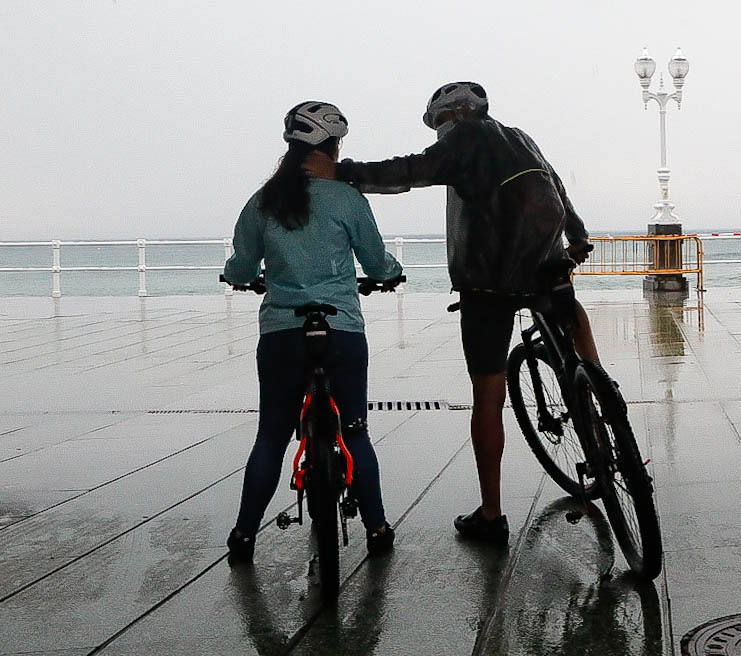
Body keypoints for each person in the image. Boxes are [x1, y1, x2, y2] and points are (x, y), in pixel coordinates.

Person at [335, 81, 626, 544]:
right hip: (545, 264)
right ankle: (598, 388)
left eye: (437, 124)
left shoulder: (463, 138)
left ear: (453, 115)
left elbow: (409, 171)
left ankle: (491, 514)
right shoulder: (519, 136)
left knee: (488, 397)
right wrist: (579, 235)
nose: (438, 134)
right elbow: (556, 185)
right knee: (570, 315)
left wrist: (343, 171)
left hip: (487, 282)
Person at [223, 101, 402, 564]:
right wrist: (390, 273)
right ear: (333, 145)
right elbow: (377, 262)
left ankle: (244, 535)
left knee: (271, 436)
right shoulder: (347, 199)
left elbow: (242, 266)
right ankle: (378, 528)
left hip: (282, 333)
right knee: (356, 432)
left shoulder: (263, 200)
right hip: (340, 330)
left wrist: (238, 277)